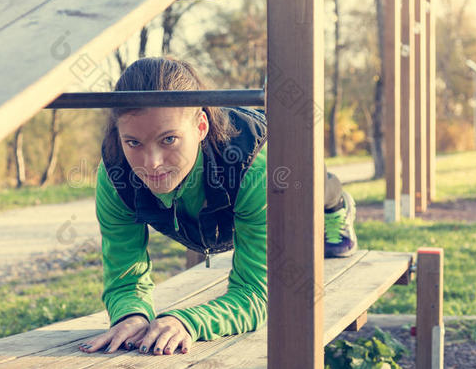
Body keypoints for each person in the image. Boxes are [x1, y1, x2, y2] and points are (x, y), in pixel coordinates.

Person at [79, 57, 356, 356]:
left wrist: (188, 321)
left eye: (168, 139)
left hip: (276, 163)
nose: (151, 163)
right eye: (133, 143)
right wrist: (131, 315)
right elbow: (124, 277)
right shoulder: (115, 175)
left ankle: (338, 204)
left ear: (200, 126)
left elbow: (256, 294)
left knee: (313, 187)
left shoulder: (259, 168)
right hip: (205, 209)